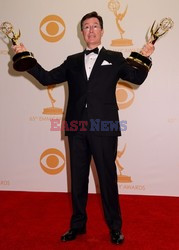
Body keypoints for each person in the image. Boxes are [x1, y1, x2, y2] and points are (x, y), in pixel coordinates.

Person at [12, 11, 155, 245]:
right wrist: (25, 58)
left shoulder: (115, 57)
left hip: (104, 127)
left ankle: (115, 227)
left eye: (95, 26)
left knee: (107, 180)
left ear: (102, 30)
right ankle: (77, 225)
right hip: (76, 127)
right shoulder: (72, 61)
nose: (91, 30)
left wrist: (146, 57)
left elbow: (136, 79)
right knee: (78, 180)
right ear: (82, 33)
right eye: (86, 27)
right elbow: (47, 78)